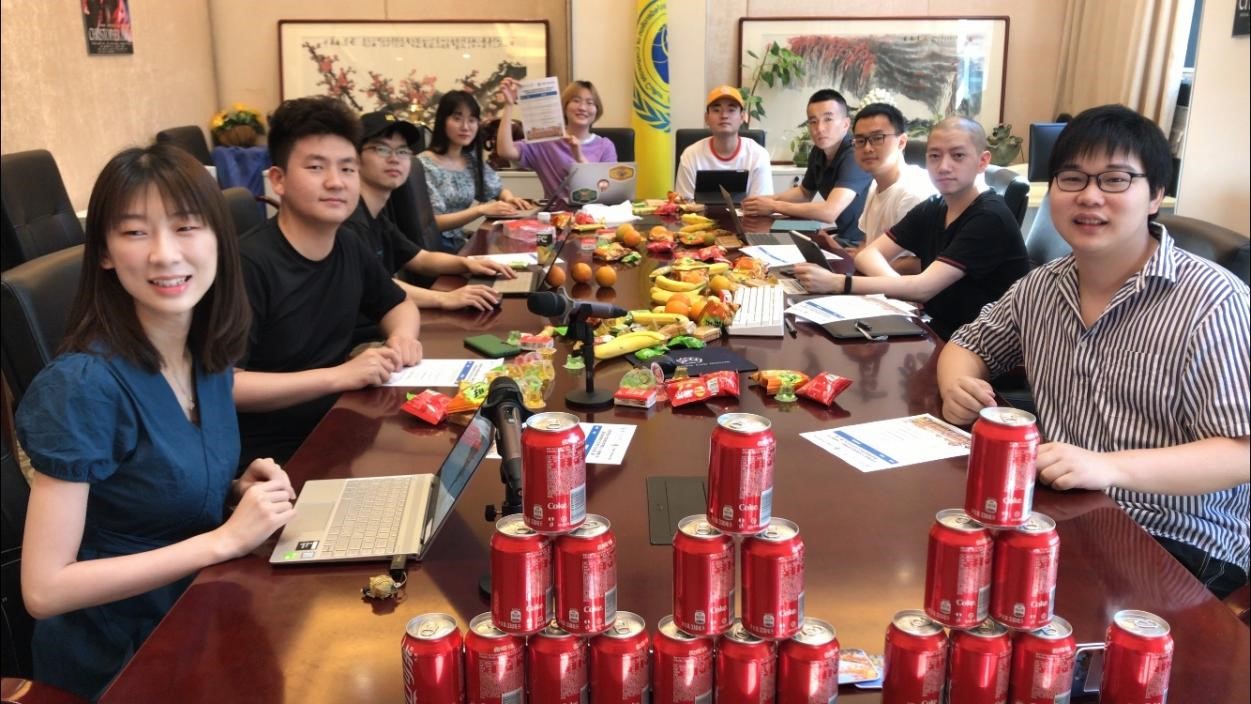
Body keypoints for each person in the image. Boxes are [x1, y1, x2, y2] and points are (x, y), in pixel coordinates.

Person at [15, 144, 296, 700]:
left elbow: (154, 486)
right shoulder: (83, 386)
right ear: (104, 253)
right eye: (135, 232)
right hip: (123, 657)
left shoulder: (203, 354)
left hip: (200, 613)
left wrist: (234, 491)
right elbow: (44, 590)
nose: (165, 255)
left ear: (219, 239)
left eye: (186, 227)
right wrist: (223, 540)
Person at [938, 105, 1250, 598]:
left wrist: (1109, 466)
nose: (1089, 196)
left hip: (1178, 539)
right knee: (950, 573)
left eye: (1115, 180)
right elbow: (968, 343)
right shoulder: (1043, 286)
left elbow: (1240, 451)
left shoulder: (1213, 300)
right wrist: (957, 385)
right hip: (1064, 512)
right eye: (1072, 178)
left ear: (1156, 195)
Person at [234, 96, 423, 465]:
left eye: (347, 169)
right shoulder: (248, 264)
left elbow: (399, 303)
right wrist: (339, 376)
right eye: (316, 167)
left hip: (339, 425)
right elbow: (224, 386)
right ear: (279, 180)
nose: (336, 182)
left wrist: (402, 338)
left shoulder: (347, 244)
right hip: (271, 461)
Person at [793, 116, 1031, 340]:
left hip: (981, 344)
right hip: (937, 327)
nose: (943, 166)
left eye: (958, 156)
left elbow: (923, 288)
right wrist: (901, 291)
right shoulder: (935, 206)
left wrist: (838, 283)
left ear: (982, 161)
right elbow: (868, 254)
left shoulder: (989, 217)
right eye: (934, 156)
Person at [348, 110, 517, 312]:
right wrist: (445, 298)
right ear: (354, 158)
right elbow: (375, 284)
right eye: (382, 149)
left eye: (402, 151)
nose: (395, 158)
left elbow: (420, 259)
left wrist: (468, 264)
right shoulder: (349, 222)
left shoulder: (378, 216)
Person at [741, 89, 871, 242]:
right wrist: (765, 200)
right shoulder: (818, 151)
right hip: (843, 238)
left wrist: (774, 206)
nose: (819, 128)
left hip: (864, 244)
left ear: (845, 124)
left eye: (828, 119)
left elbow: (829, 212)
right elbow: (804, 193)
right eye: (813, 121)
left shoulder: (854, 155)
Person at [419, 90, 533, 252]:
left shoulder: (470, 160)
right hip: (434, 250)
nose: (465, 127)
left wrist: (509, 199)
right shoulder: (425, 164)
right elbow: (432, 223)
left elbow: (497, 189)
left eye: (472, 120)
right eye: (457, 118)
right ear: (442, 121)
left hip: (458, 243)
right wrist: (480, 210)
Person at [494, 78, 618, 209]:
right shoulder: (545, 140)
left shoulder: (605, 146)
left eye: (590, 103)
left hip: (596, 217)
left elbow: (608, 191)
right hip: (555, 217)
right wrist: (508, 105)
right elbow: (505, 151)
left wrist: (579, 156)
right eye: (576, 101)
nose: (582, 108)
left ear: (597, 110)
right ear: (564, 106)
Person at [848, 102, 936, 250]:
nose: (867, 148)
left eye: (877, 138)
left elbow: (919, 261)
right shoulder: (876, 184)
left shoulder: (914, 193)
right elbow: (867, 242)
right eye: (860, 141)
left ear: (901, 142)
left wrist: (860, 258)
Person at [674, 85, 773, 201]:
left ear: (742, 117)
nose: (724, 116)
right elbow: (684, 204)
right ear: (706, 118)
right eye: (716, 110)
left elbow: (762, 205)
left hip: (746, 214)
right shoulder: (691, 155)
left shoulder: (758, 155)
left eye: (731, 110)